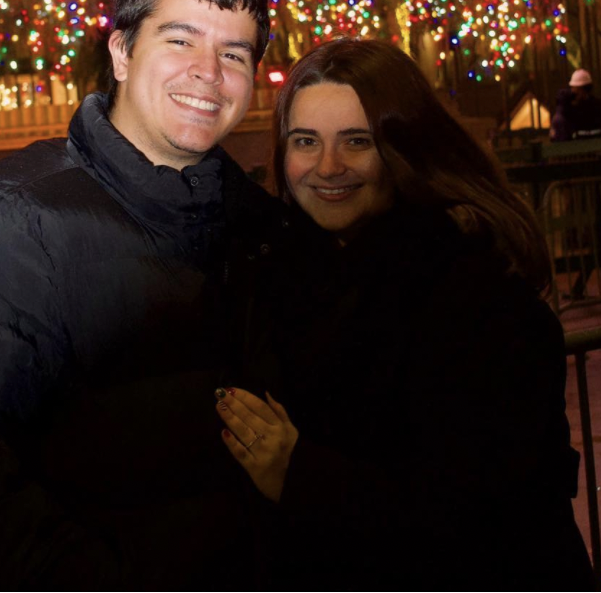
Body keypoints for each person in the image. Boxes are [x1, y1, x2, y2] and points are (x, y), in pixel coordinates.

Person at [0, 0, 287, 589]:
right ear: (121, 54)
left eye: (235, 54)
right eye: (181, 40)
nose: (209, 73)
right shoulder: (9, 220)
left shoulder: (256, 225)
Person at [216, 38, 594, 587]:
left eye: (357, 141)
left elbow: (490, 521)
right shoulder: (282, 277)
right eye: (305, 141)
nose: (328, 167)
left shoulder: (478, 295)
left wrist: (299, 475)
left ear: (403, 149)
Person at [550, 67, 601, 141]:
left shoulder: (574, 110)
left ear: (584, 90)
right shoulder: (569, 111)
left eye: (576, 89)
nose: (573, 92)